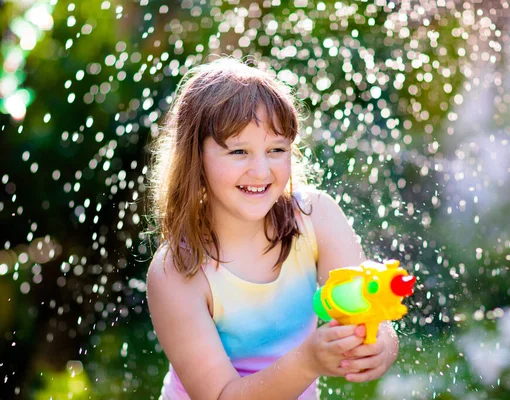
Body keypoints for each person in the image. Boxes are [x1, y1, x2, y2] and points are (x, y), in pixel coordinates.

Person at [146, 58, 399, 400]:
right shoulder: (177, 269)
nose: (261, 170)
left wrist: (380, 343)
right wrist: (308, 361)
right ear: (195, 158)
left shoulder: (315, 218)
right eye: (239, 151)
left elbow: (371, 308)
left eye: (276, 149)